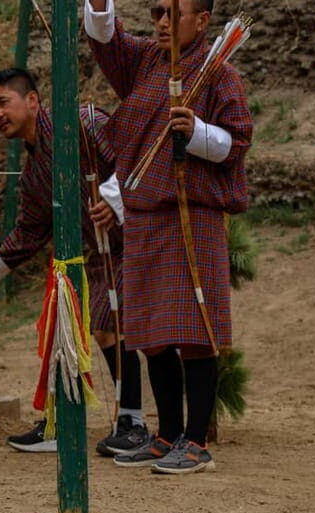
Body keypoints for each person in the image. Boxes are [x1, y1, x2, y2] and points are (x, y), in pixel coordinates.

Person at [85, 0, 253, 473]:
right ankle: (166, 435)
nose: (160, 20)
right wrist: (99, 5)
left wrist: (196, 130)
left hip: (189, 213)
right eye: (157, 11)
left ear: (201, 21)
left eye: (172, 13)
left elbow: (237, 140)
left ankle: (196, 441)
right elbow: (107, 41)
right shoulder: (144, 61)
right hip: (143, 216)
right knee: (152, 333)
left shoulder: (218, 74)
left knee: (195, 331)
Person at [0, 68, 148, 454]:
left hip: (140, 237)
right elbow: (30, 231)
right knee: (90, 328)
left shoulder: (84, 122)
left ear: (32, 100)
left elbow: (134, 157)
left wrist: (114, 201)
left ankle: (135, 423)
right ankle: (74, 421)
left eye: (3, 102)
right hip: (94, 256)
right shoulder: (33, 175)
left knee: (117, 330)